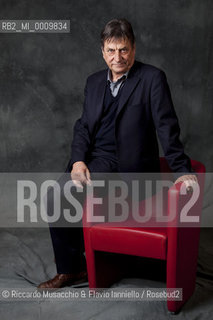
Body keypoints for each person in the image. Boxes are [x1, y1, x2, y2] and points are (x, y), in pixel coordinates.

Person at [38, 18, 197, 289]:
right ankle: (71, 269)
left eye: (123, 49)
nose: (118, 57)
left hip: (127, 167)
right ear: (102, 51)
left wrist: (183, 172)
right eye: (111, 51)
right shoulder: (94, 82)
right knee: (56, 194)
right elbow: (83, 127)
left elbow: (167, 127)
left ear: (133, 48)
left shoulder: (152, 79)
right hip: (93, 160)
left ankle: (89, 263)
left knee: (64, 193)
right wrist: (77, 160)